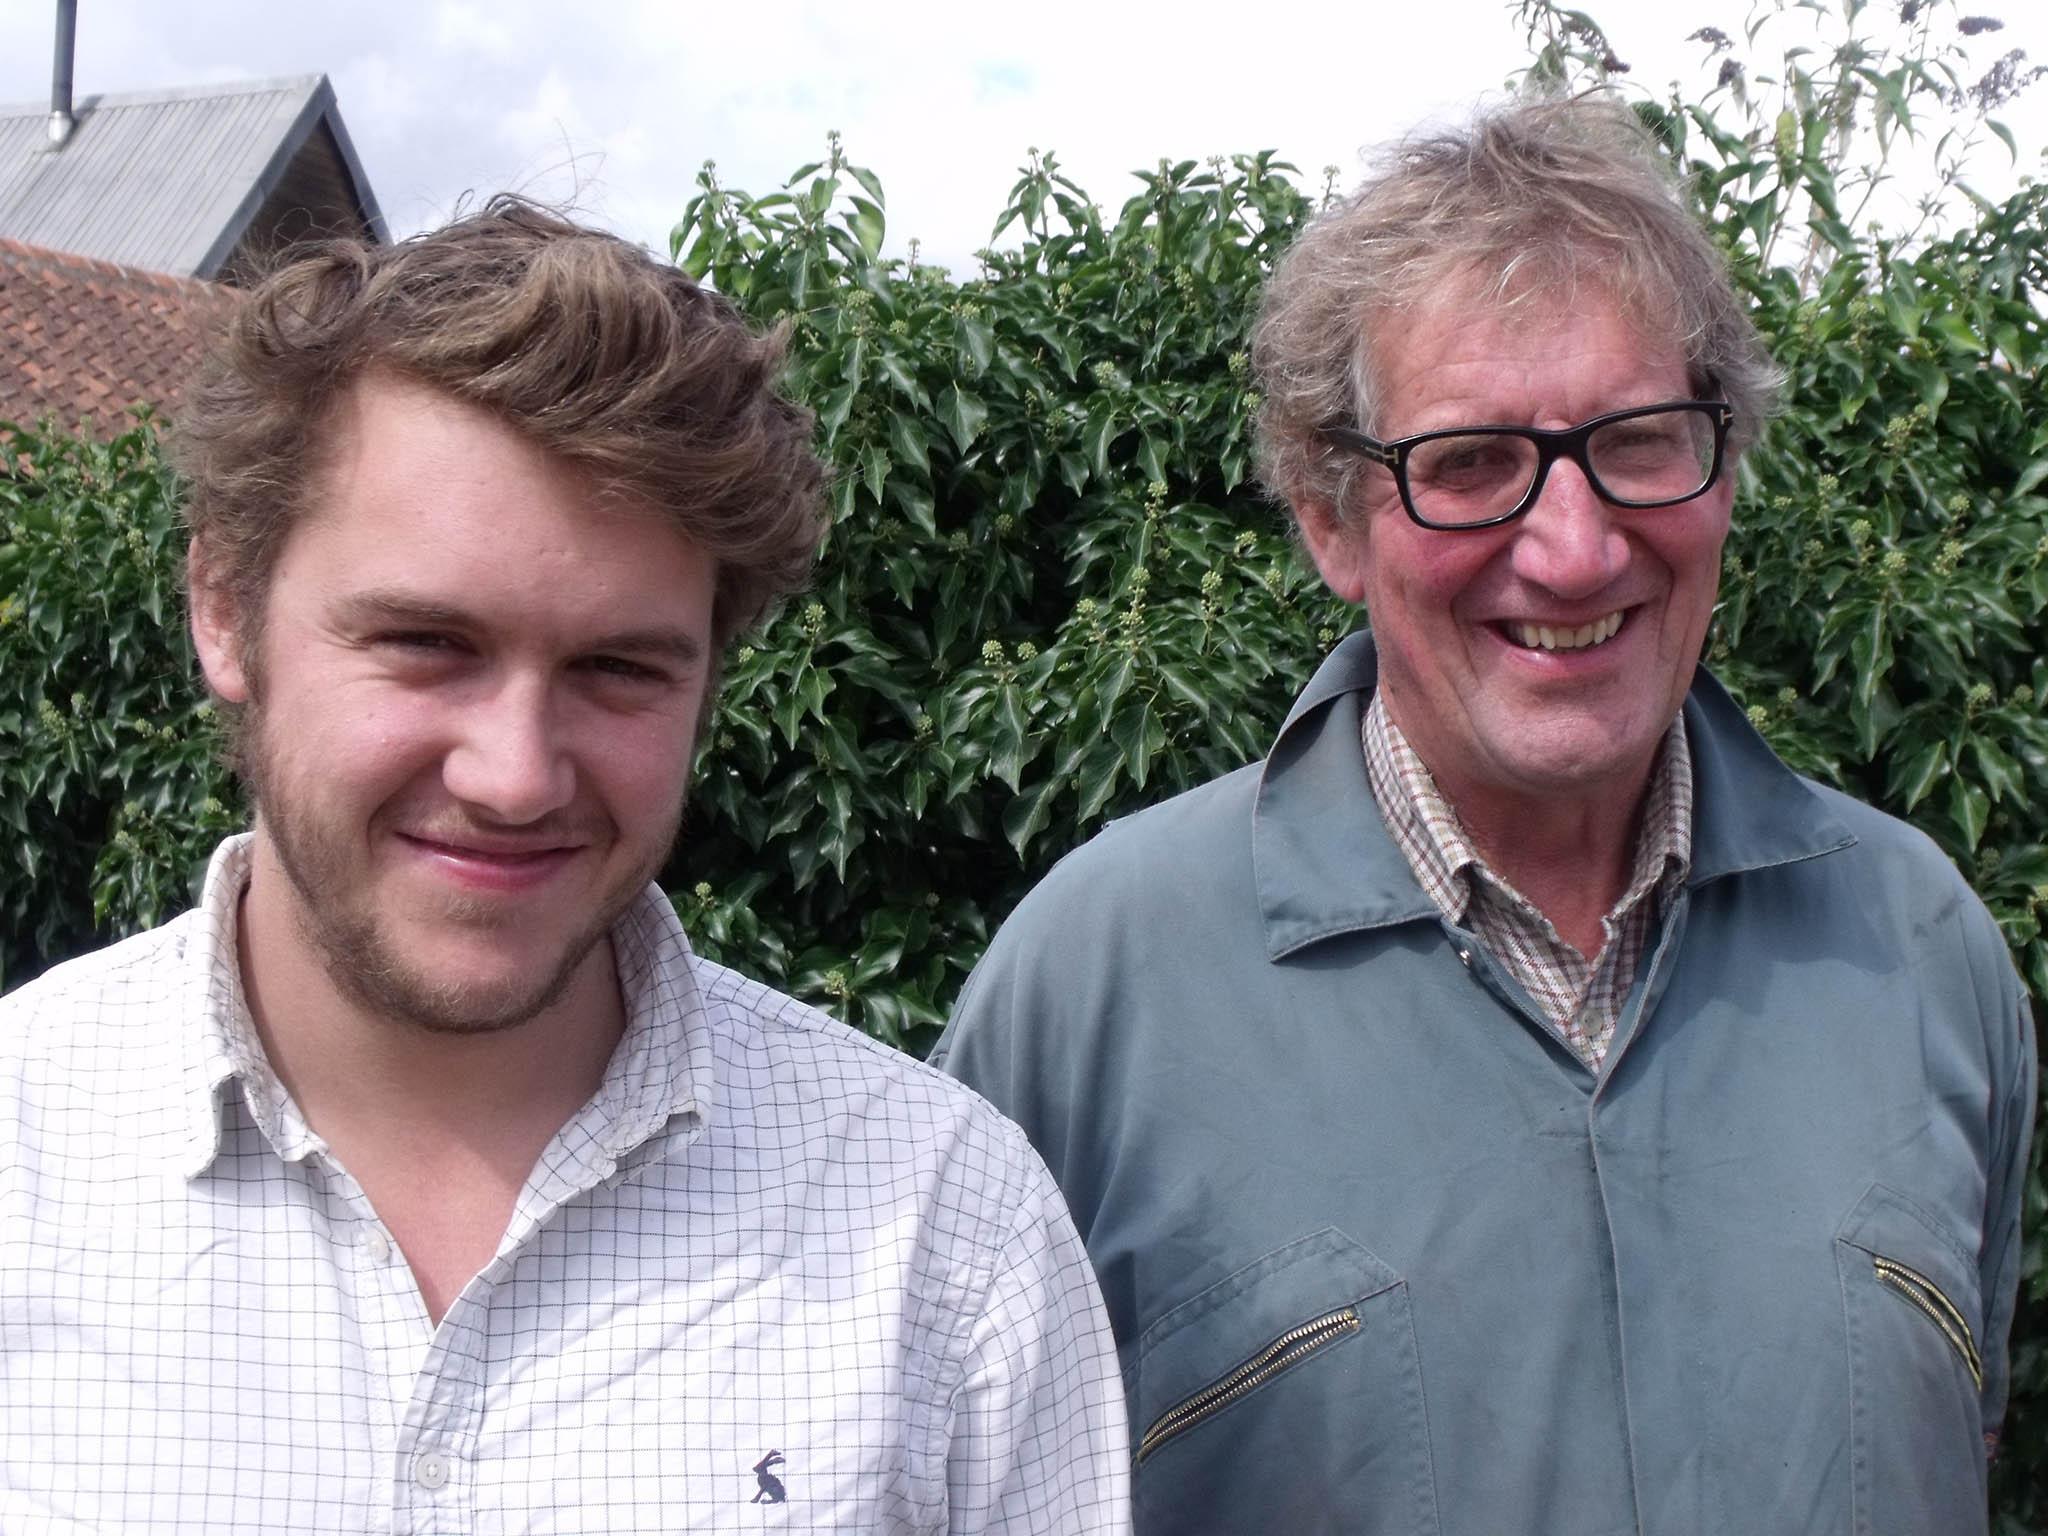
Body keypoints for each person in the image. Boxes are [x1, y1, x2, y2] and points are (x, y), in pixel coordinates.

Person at [934, 97, 2034, 1534]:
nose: (1574, 550)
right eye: (1468, 465)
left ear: (1723, 466)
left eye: (1640, 441)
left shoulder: (1921, 945)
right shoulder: (1086, 993)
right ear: (1331, 520)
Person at [0, 199, 1129, 1534]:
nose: (517, 773)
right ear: (223, 611)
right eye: (426, 643)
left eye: (617, 670)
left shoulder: (941, 1232)